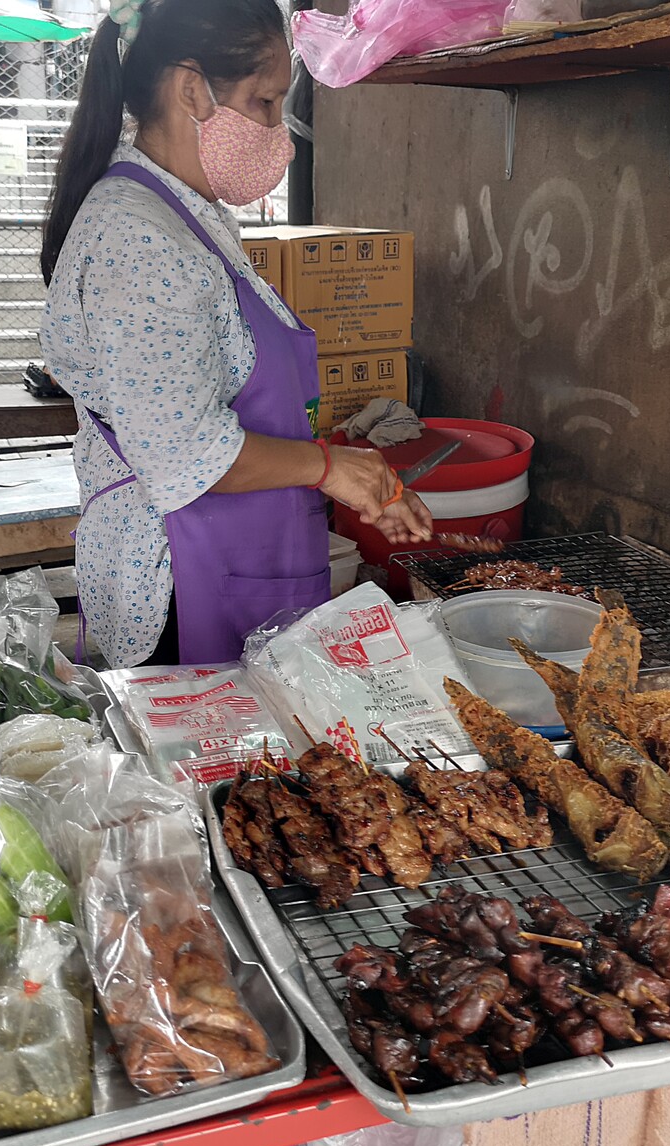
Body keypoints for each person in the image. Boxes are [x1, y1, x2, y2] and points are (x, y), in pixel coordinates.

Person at [40, 0, 432, 669]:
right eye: (265, 102)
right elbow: (182, 452)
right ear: (192, 90)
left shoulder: (188, 213)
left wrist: (351, 478)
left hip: (240, 547)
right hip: (182, 574)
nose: (280, 134)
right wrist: (333, 469)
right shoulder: (138, 237)